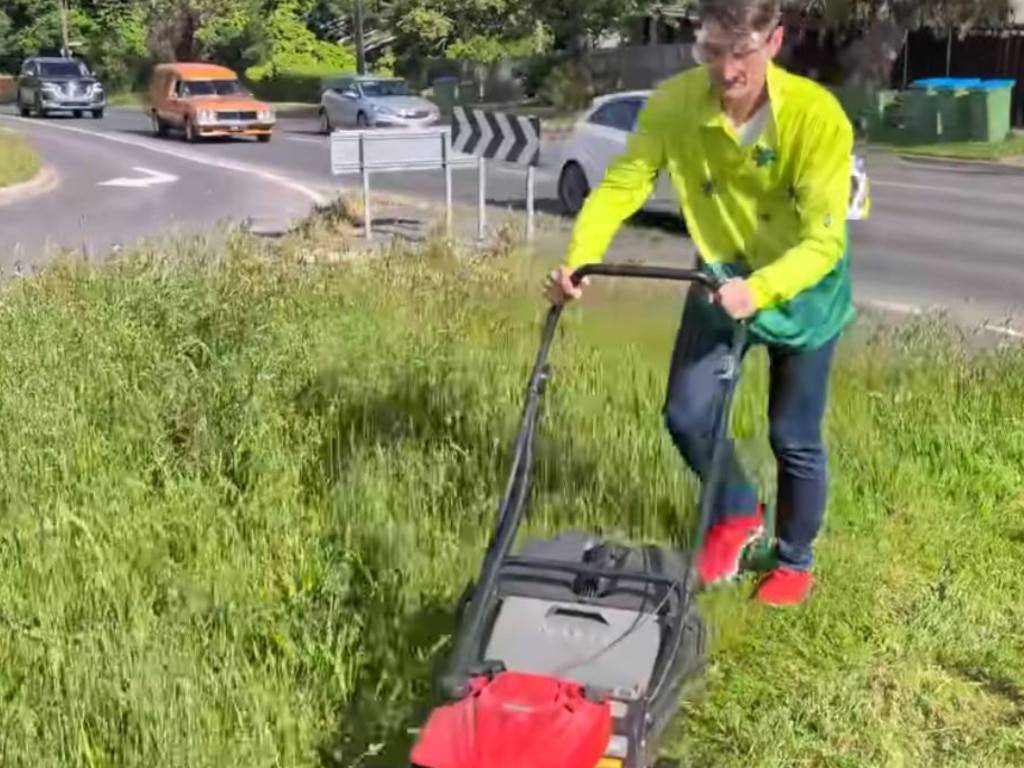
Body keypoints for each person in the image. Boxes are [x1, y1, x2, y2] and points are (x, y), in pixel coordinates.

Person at [546, 0, 857, 607]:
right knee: (686, 414)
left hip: (802, 291)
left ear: (774, 42)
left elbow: (824, 241)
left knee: (792, 435)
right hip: (719, 278)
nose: (727, 70)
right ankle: (738, 510)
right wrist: (579, 257)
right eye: (712, 51)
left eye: (741, 51)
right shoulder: (675, 104)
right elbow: (623, 184)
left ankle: (793, 558)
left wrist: (761, 289)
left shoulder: (817, 118)